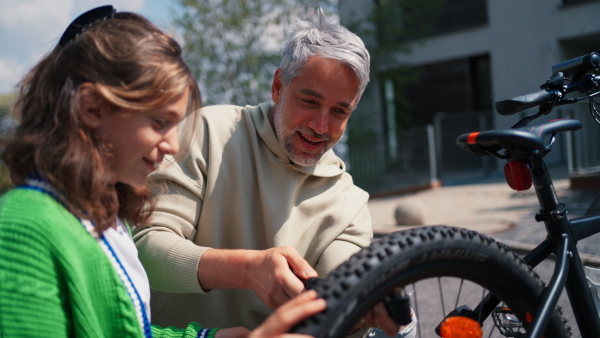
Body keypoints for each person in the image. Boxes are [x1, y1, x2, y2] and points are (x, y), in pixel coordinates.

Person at [0, 5, 326, 337]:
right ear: (91, 108)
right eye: (159, 123)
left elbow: (128, 331)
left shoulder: (105, 221)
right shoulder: (25, 229)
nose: (172, 144)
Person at [133, 8, 379, 334]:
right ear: (278, 86)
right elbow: (146, 249)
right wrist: (246, 270)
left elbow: (342, 306)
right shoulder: (208, 132)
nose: (321, 125)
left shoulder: (350, 206)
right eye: (309, 101)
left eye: (338, 111)